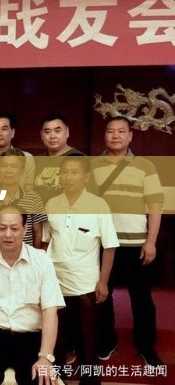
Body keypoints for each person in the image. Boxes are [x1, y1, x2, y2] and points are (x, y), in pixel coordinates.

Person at [0, 205, 65, 385]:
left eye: (14, 228)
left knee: (41, 380)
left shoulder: (42, 262)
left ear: (25, 229)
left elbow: (50, 311)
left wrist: (45, 356)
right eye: (2, 228)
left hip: (31, 339)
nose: (8, 234)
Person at [92, 117, 165, 366]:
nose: (115, 136)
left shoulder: (145, 166)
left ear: (130, 136)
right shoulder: (93, 166)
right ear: (104, 135)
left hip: (136, 245)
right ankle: (106, 341)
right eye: (110, 131)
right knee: (102, 296)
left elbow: (155, 206)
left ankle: (146, 346)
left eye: (121, 131)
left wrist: (151, 242)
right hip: (103, 245)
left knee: (142, 299)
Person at [43, 157, 118, 385]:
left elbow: (109, 246)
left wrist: (103, 281)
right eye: (64, 172)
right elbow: (46, 241)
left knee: (88, 340)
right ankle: (57, 380)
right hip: (56, 283)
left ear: (86, 177)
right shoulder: (52, 204)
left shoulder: (98, 205)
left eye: (74, 172)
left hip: (86, 283)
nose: (68, 177)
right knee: (57, 339)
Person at [0, 149, 46, 249]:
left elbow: (38, 233)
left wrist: (34, 255)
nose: (8, 170)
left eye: (14, 166)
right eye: (4, 166)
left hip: (24, 256)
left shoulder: (33, 198)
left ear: (22, 171)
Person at [34, 114, 86, 203]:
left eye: (57, 131)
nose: (52, 136)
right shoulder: (36, 160)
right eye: (47, 132)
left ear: (67, 132)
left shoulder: (81, 159)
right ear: (41, 135)